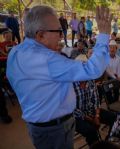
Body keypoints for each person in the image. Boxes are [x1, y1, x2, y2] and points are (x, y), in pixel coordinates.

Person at [6, 5, 112, 149]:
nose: (61, 36)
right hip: (55, 129)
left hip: (38, 127)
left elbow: (13, 81)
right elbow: (93, 69)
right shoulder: (48, 60)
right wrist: (104, 34)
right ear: (40, 35)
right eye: (59, 31)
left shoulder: (15, 52)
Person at [73, 51, 116, 146]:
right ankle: (96, 146)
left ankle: (107, 142)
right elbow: (71, 108)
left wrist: (96, 116)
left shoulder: (90, 79)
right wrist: (90, 119)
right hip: (76, 117)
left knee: (114, 117)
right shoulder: (69, 84)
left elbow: (96, 99)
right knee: (91, 131)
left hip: (91, 111)